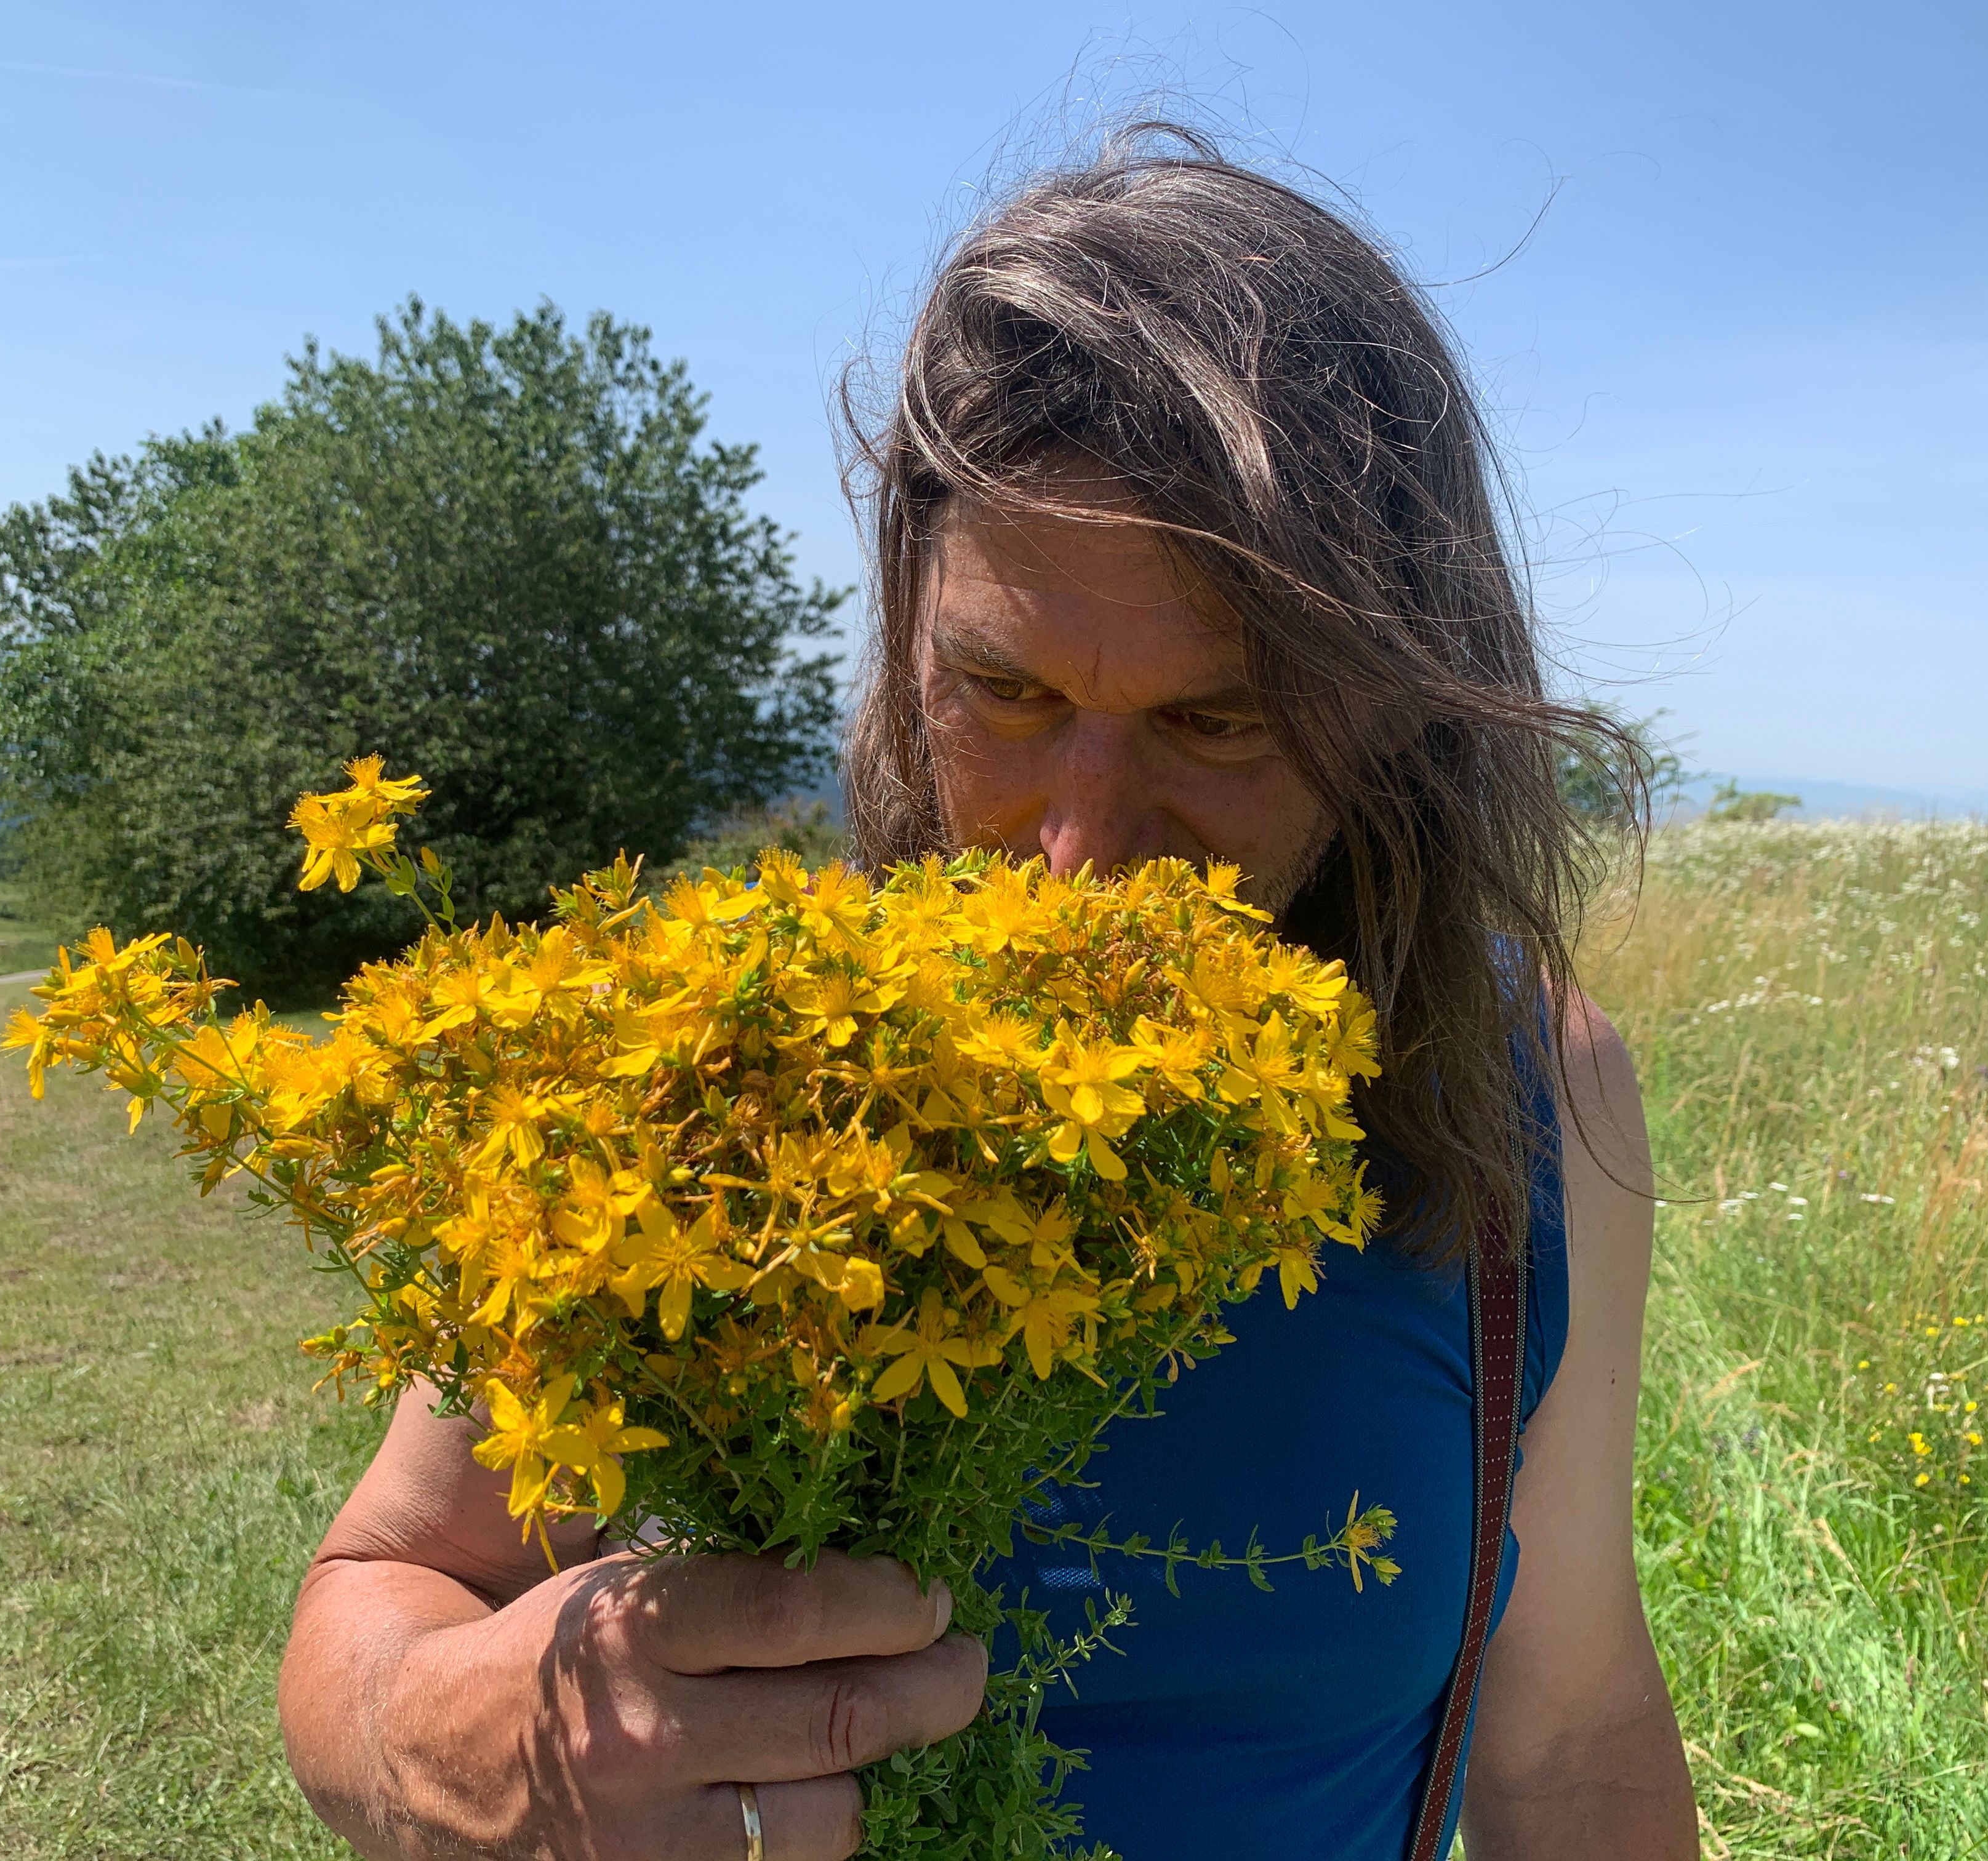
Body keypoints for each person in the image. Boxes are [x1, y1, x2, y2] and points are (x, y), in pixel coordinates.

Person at [278, 126, 1699, 1861]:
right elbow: (381, 1595)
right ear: (906, 632)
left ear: (1401, 704)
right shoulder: (703, 1073)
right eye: (1004, 693)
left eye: (1218, 722)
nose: (1081, 850)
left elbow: (1571, 1723)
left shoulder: (1534, 1092)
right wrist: (455, 1731)